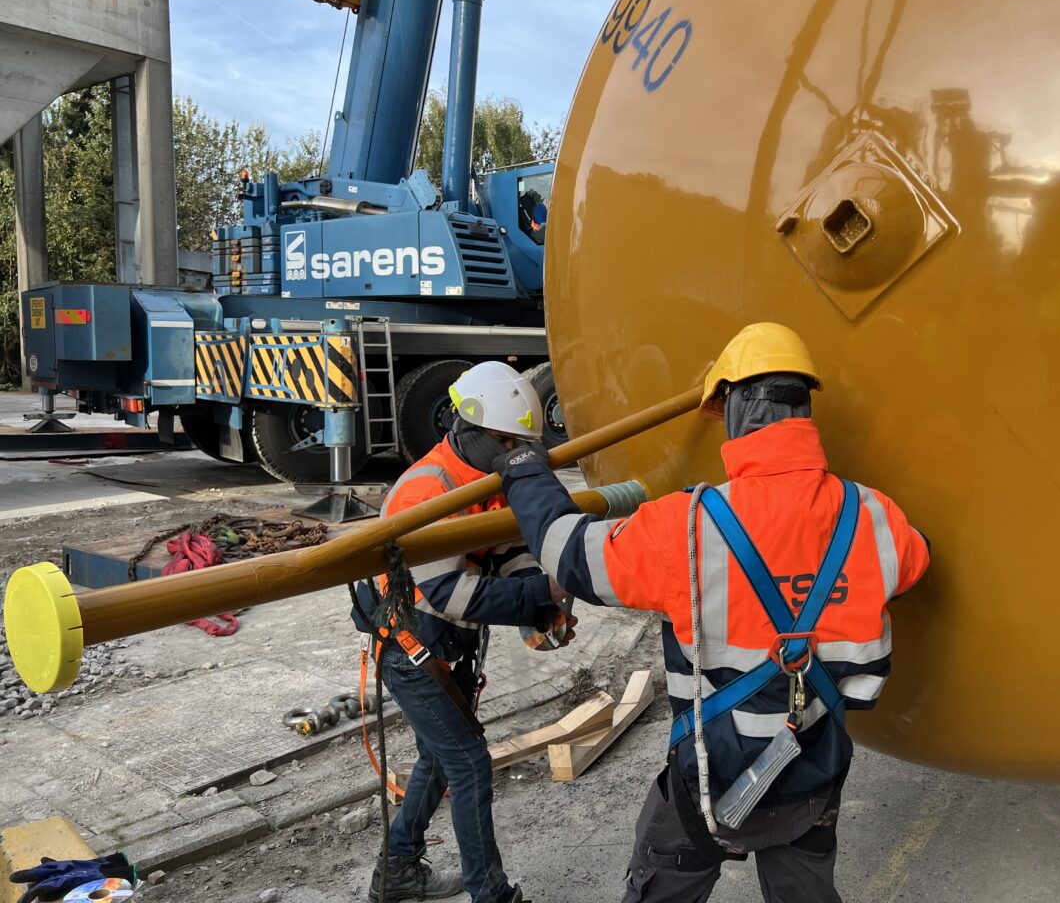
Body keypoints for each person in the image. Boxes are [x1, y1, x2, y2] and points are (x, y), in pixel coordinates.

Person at [493, 323, 931, 902]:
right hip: (813, 764)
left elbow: (568, 554)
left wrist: (523, 464)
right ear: (804, 409)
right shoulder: (874, 516)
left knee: (663, 883)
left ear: (736, 410)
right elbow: (912, 562)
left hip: (709, 778)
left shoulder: (688, 526)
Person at [353, 361, 573, 903]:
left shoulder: (485, 478)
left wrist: (538, 605)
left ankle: (397, 873)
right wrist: (542, 596)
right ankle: (491, 894)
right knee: (469, 762)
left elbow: (509, 547)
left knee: (439, 756)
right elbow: (451, 594)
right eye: (504, 441)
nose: (513, 454)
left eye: (519, 443)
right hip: (411, 649)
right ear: (470, 428)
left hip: (440, 648)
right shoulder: (426, 491)